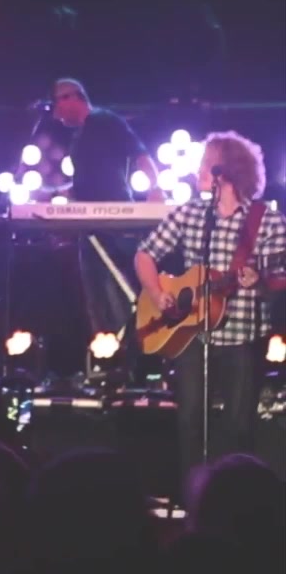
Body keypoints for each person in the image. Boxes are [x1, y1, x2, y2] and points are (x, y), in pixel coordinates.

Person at [134, 131, 286, 481]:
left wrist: (258, 279)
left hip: (242, 337)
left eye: (205, 165)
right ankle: (194, 494)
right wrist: (156, 293)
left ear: (226, 171)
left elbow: (278, 281)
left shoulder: (267, 220)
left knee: (239, 426)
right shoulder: (191, 214)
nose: (198, 171)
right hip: (192, 338)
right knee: (189, 421)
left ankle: (234, 496)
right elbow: (145, 254)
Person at [50, 78, 163, 348]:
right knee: (96, 296)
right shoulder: (78, 137)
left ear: (72, 97)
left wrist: (155, 188)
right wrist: (53, 198)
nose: (55, 112)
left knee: (118, 289)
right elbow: (85, 181)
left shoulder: (105, 121)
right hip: (89, 224)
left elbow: (140, 154)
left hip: (115, 221)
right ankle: (108, 353)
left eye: (57, 102)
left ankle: (130, 350)